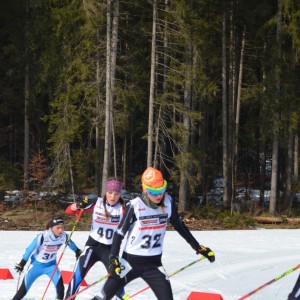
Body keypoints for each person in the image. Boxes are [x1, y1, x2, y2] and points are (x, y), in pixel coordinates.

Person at [91, 167, 215, 300]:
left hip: (154, 265)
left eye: (161, 190)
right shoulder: (135, 205)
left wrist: (198, 247)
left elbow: (180, 226)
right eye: (153, 192)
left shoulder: (168, 202)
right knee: (102, 297)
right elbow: (119, 233)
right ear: (145, 190)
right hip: (129, 262)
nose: (159, 195)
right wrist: (114, 259)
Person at [64, 178, 129, 300]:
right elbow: (69, 210)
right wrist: (78, 205)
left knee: (117, 278)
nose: (113, 196)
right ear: (105, 192)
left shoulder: (124, 208)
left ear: (120, 194)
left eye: (116, 193)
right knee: (78, 275)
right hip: (92, 247)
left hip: (110, 250)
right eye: (110, 192)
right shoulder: (96, 203)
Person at [12, 216, 81, 300]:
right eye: (58, 228)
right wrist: (22, 263)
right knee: (22, 291)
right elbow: (29, 250)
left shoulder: (64, 236)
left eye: (62, 228)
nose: (61, 230)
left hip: (51, 266)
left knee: (60, 290)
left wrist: (77, 251)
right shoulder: (43, 236)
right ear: (52, 228)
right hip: (36, 266)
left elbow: (71, 244)